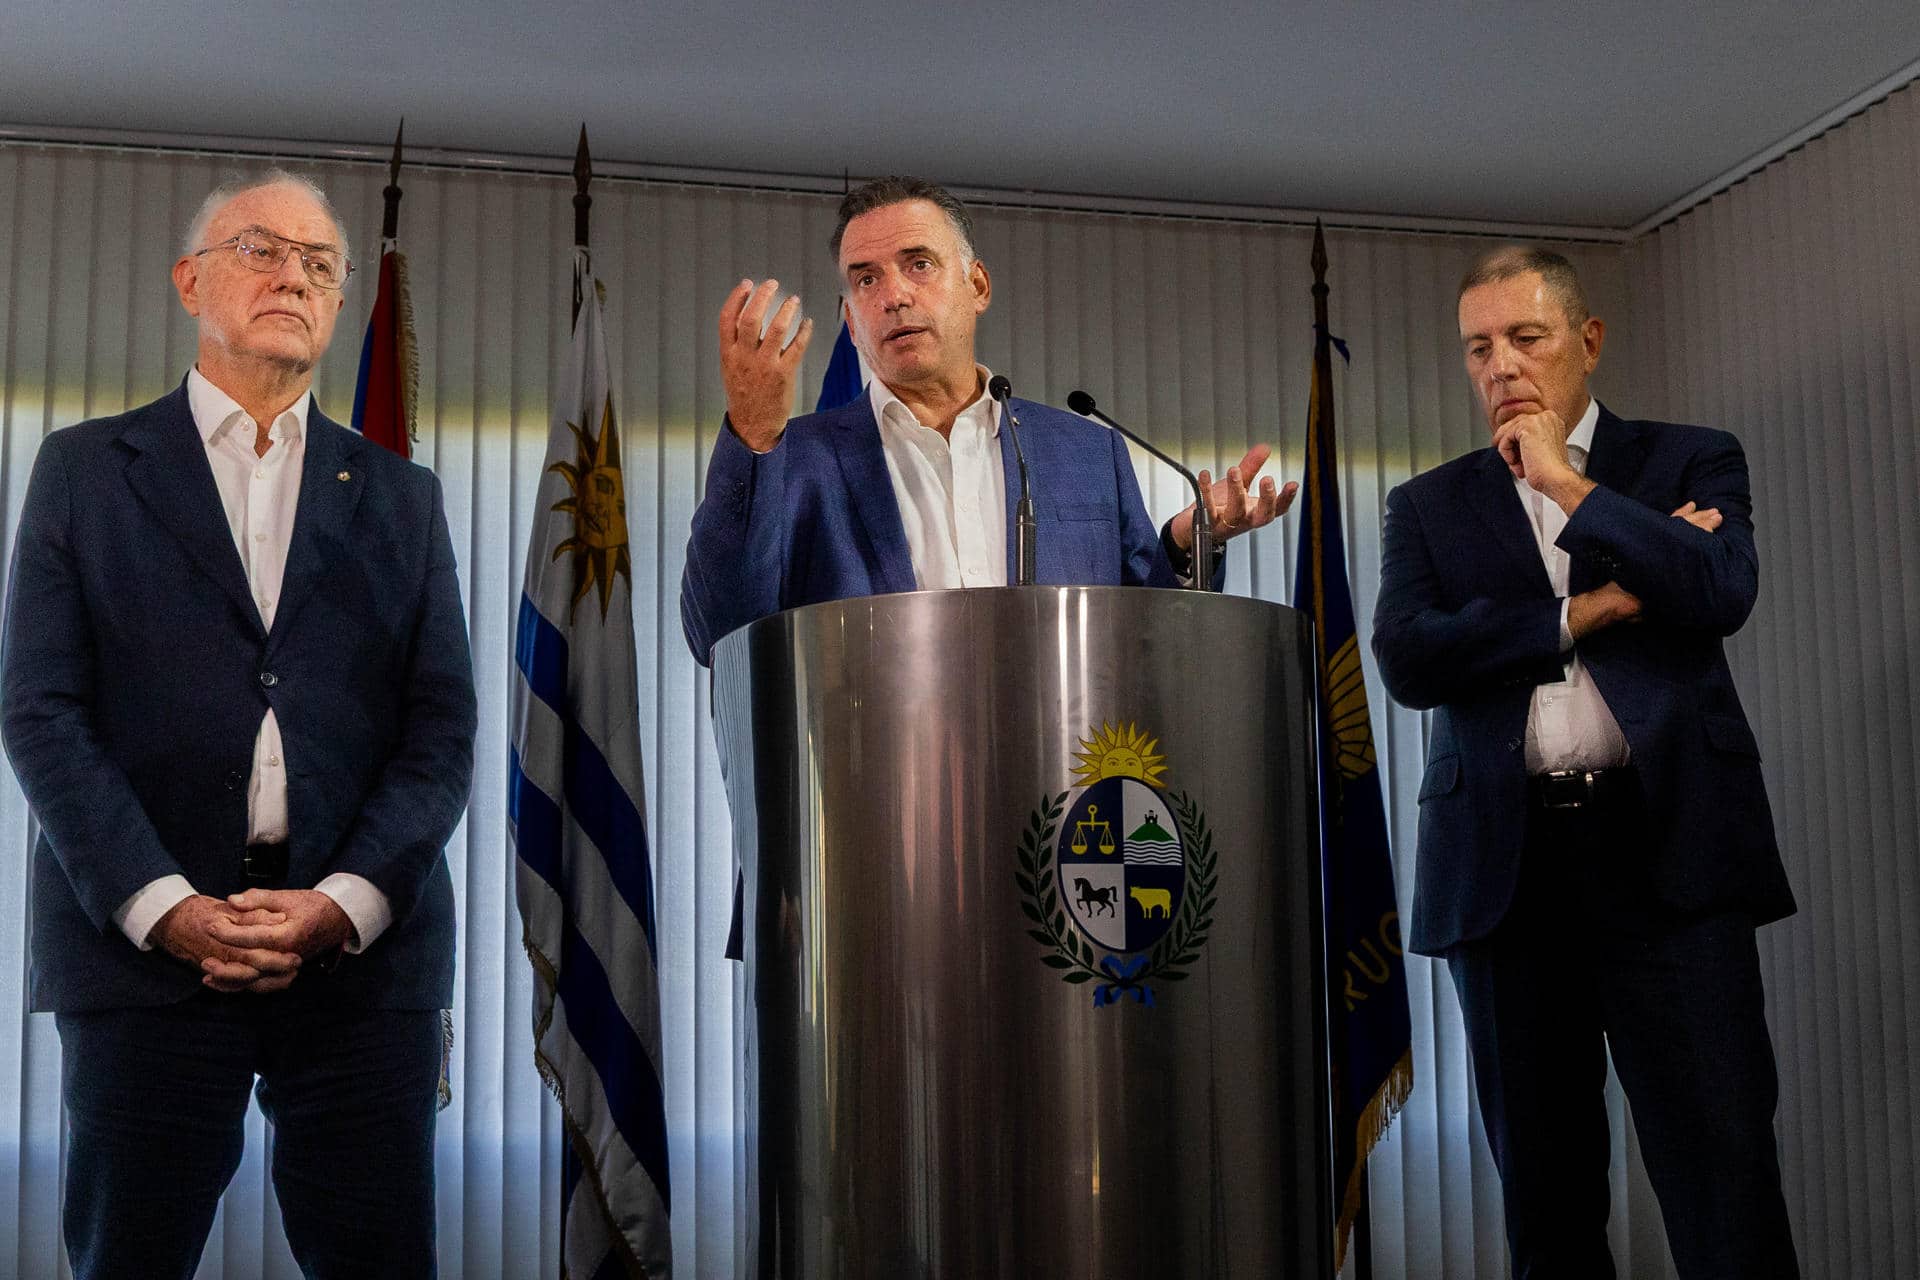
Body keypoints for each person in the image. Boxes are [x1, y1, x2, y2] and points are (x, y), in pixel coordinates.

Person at [0, 171, 477, 1279]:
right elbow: (41, 708)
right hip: (144, 962)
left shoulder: (403, 496)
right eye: (263, 248)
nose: (295, 277)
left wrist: (340, 901)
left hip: (361, 963)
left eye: (320, 264)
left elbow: (440, 730)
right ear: (189, 280)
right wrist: (162, 906)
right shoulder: (82, 472)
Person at [1372, 245, 1798, 1278]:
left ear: (1587, 339)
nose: (1500, 366)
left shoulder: (1691, 458)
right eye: (1479, 348)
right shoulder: (1429, 505)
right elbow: (1410, 655)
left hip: (1671, 860)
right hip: (1508, 877)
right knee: (1548, 1198)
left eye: (1526, 337)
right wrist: (1585, 609)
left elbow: (1718, 588)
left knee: (1722, 1180)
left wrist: (1568, 480)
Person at [679, 175, 1296, 664]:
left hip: (1064, 796)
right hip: (878, 797)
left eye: (919, 264)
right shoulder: (795, 460)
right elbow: (719, 632)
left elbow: (1143, 639)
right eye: (866, 279)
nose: (892, 294)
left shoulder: (1082, 452)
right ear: (849, 317)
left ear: (977, 284)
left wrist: (1187, 544)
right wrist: (754, 437)